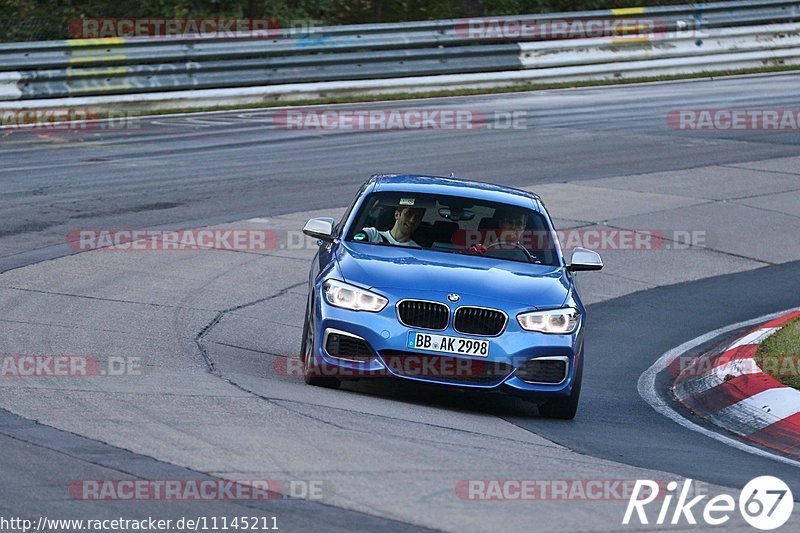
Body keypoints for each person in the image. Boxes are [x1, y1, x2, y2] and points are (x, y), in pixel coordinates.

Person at [359, 204, 426, 247]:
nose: (412, 220)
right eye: (408, 214)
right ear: (397, 215)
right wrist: (369, 211)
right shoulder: (372, 235)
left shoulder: (417, 250)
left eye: (417, 217)